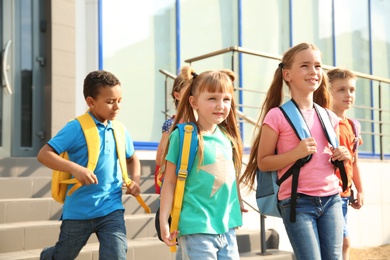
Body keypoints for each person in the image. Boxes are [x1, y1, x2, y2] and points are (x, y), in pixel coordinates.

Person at [239, 42, 351, 260]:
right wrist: (295, 153)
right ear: (287, 74)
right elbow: (263, 162)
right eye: (305, 66)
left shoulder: (329, 116)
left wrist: (342, 155)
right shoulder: (277, 116)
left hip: (332, 199)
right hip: (297, 203)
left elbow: (329, 157)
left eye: (318, 66)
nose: (313, 72)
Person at [37, 70, 141, 260]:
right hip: (78, 211)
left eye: (120, 100)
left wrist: (135, 180)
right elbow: (44, 155)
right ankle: (47, 256)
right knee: (62, 256)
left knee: (116, 255)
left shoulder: (119, 129)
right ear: (91, 102)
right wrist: (75, 168)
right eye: (110, 101)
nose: (117, 107)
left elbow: (132, 158)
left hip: (111, 208)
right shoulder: (76, 127)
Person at [159, 66, 246, 259]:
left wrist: (237, 201)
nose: (221, 105)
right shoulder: (183, 136)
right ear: (194, 102)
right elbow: (170, 181)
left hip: (228, 228)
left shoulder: (228, 137)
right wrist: (164, 220)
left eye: (226, 99)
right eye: (212, 98)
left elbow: (229, 175)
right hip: (196, 227)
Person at [328, 68, 364, 260]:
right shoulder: (324, 121)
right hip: (328, 194)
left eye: (352, 90)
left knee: (341, 244)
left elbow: (354, 162)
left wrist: (359, 190)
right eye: (341, 89)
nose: (348, 94)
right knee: (343, 242)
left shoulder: (352, 125)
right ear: (328, 92)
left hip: (344, 194)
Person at [155, 69, 189, 194]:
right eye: (189, 92)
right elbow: (159, 159)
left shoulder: (205, 124)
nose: (193, 97)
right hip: (175, 187)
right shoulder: (171, 125)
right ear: (177, 95)